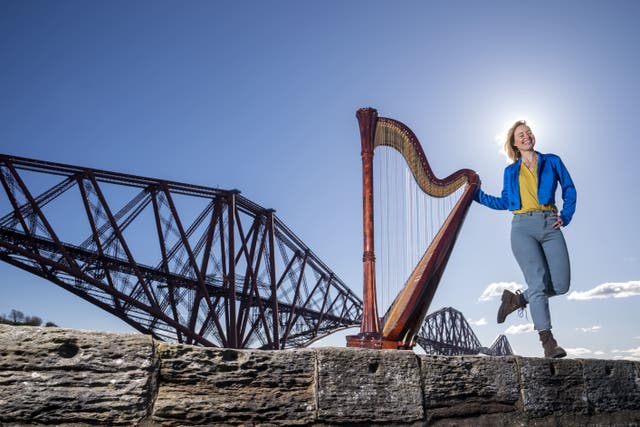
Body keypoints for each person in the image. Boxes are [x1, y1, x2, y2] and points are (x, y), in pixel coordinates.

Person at [474, 120, 576, 358]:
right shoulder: (510, 171)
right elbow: (504, 202)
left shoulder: (552, 160)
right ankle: (548, 343)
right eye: (521, 134)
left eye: (528, 132)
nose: (526, 136)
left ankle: (517, 300)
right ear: (514, 143)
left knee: (561, 285)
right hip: (522, 228)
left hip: (550, 223)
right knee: (538, 283)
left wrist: (566, 215)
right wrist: (475, 195)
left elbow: (569, 188)